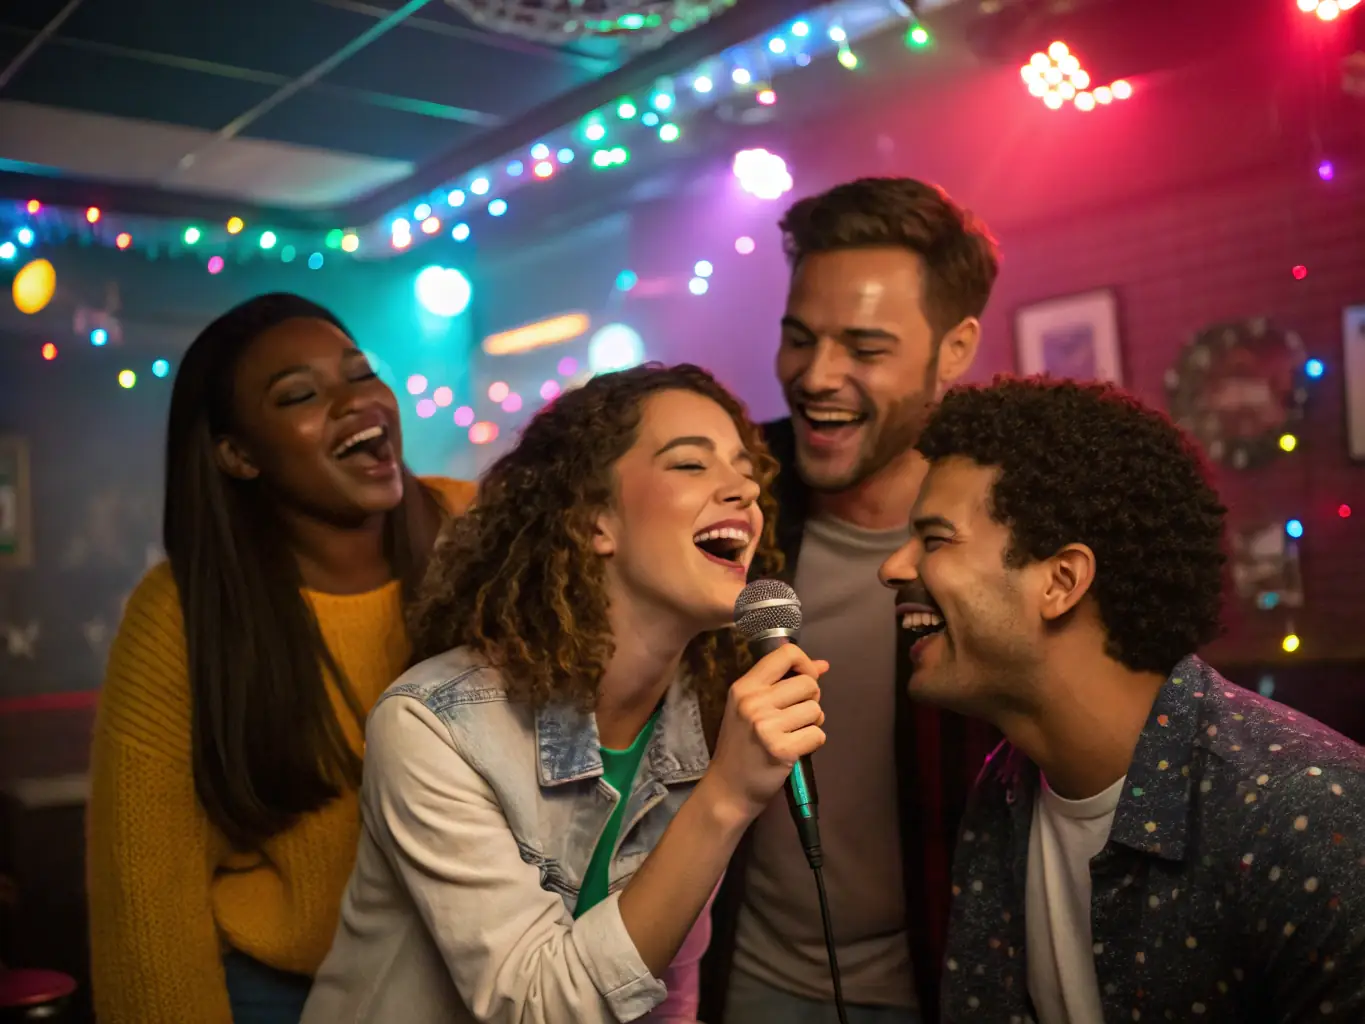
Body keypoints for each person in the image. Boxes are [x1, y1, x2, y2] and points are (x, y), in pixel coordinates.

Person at [300, 363, 831, 1024]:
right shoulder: (434, 727)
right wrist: (725, 798)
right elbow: (535, 1005)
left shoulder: (701, 715)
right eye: (691, 466)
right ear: (593, 522)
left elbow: (668, 985)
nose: (742, 490)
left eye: (745, 472)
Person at [879, 375, 1365, 1022]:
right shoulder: (1000, 795)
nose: (892, 567)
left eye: (934, 539)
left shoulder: (1305, 810)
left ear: (1060, 580)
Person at [86, 293, 477, 1024]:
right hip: (286, 996)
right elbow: (149, 901)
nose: (354, 401)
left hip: (490, 975)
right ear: (238, 455)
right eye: (300, 394)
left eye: (359, 373)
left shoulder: (476, 532)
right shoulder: (184, 610)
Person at [701, 177, 1002, 1024]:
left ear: (954, 348)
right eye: (798, 338)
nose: (816, 376)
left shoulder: (1011, 531)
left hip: (949, 987)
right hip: (738, 977)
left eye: (864, 349)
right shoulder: (729, 501)